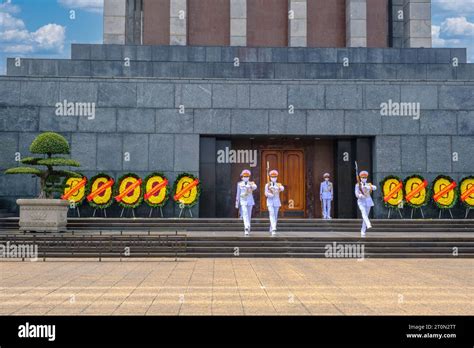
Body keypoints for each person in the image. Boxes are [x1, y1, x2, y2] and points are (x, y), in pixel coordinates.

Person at [355, 170, 377, 238]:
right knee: (364, 213)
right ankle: (368, 224)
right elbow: (356, 193)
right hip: (361, 202)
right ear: (360, 178)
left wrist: (368, 187)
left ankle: (363, 230)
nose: (364, 179)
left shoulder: (368, 184)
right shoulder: (357, 185)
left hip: (368, 202)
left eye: (365, 177)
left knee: (366, 216)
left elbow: (375, 187)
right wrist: (360, 195)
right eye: (362, 177)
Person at [235, 169, 257, 236]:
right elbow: (238, 193)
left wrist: (250, 186)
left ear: (249, 177)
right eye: (244, 176)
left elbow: (255, 187)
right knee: (244, 213)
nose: (246, 177)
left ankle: (248, 227)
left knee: (249, 215)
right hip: (243, 200)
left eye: (247, 176)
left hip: (250, 201)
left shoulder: (251, 183)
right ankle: (246, 227)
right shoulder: (239, 184)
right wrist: (237, 203)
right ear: (242, 176)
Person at [265, 170, 285, 236]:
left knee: (275, 216)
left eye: (275, 177)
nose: (274, 178)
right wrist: (269, 194)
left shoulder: (278, 184)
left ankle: (271, 227)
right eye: (272, 177)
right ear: (270, 177)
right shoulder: (267, 185)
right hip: (270, 202)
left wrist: (279, 188)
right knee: (272, 214)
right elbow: (265, 193)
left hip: (276, 202)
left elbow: (282, 188)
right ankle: (274, 228)